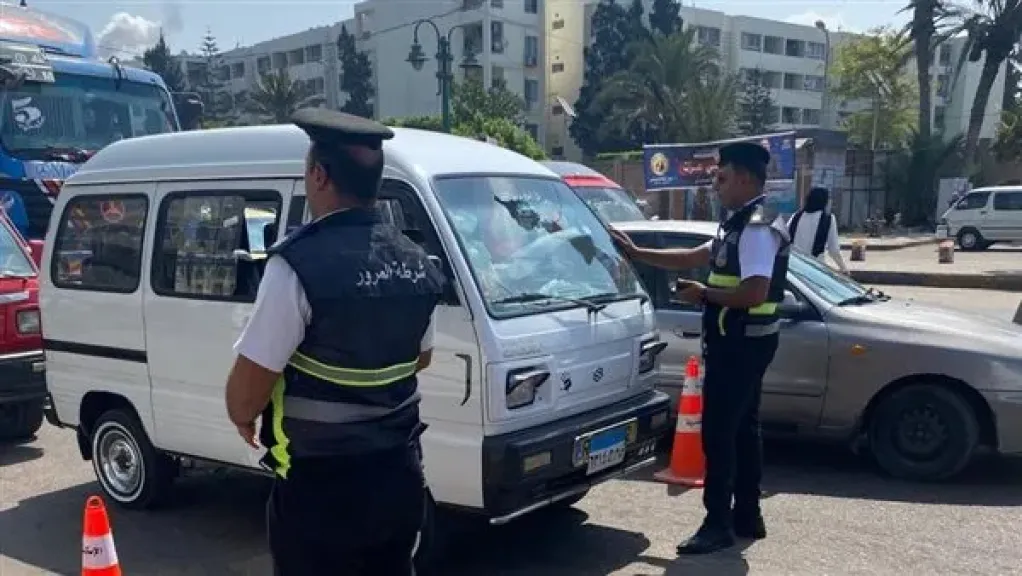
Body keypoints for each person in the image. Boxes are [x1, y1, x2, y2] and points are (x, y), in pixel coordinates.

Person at [224, 108, 445, 575]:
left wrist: (243, 417)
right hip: (399, 478)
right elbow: (420, 357)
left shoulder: (296, 265)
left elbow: (246, 393)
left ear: (320, 176)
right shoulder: (416, 261)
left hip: (321, 491)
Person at [609, 141, 790, 555]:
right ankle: (747, 515)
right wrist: (637, 252)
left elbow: (754, 291)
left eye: (721, 178)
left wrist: (703, 295)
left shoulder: (756, 228)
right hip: (745, 340)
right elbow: (693, 255)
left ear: (744, 178)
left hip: (740, 343)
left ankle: (717, 524)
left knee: (719, 433)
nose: (715, 186)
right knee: (744, 428)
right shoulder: (739, 222)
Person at [787, 186, 848, 274]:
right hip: (816, 270)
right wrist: (843, 268)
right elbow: (833, 250)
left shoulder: (795, 216)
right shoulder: (828, 219)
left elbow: (784, 239)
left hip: (795, 267)